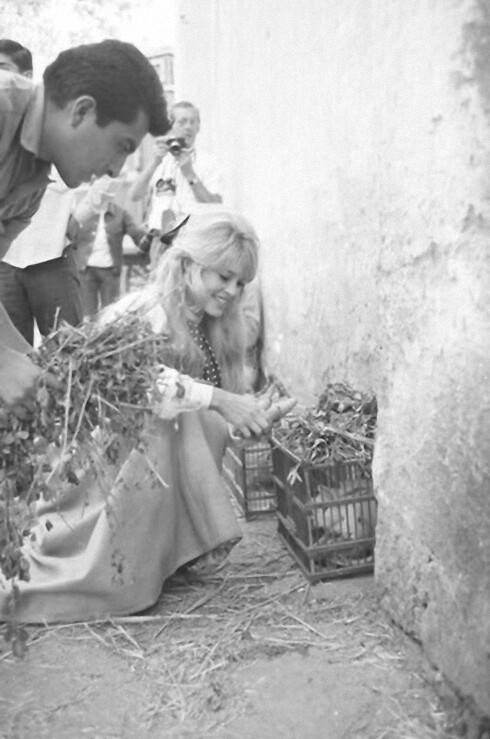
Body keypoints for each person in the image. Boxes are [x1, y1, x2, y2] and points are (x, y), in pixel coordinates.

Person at [0, 211, 295, 624]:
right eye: (223, 276)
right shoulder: (149, 309)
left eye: (241, 283)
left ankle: (165, 551)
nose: (232, 291)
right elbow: (143, 387)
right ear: (189, 264)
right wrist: (223, 400)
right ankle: (114, 567)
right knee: (178, 411)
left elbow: (205, 423)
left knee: (192, 413)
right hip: (99, 463)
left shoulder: (212, 327)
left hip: (143, 464)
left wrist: (249, 419)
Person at [0, 39, 169, 406]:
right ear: (82, 111)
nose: (116, 170)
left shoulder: (32, 183)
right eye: (122, 146)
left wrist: (29, 366)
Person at [0, 38, 84, 344]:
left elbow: (99, 176)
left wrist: (80, 215)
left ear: (26, 76)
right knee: (11, 356)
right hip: (6, 264)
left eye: (3, 68)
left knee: (68, 352)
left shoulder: (57, 124)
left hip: (52, 257)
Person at [129, 101, 223, 262]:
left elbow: (215, 205)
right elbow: (134, 195)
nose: (188, 127)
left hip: (193, 240)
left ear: (199, 127)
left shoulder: (208, 163)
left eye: (193, 122)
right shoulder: (161, 161)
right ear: (171, 126)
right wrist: (154, 162)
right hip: (161, 240)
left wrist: (190, 174)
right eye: (182, 122)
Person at [70, 175, 146, 316]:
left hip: (110, 272)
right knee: (87, 314)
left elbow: (138, 236)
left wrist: (151, 235)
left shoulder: (120, 214)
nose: (102, 195)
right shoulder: (81, 213)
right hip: (86, 271)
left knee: (110, 314)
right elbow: (70, 236)